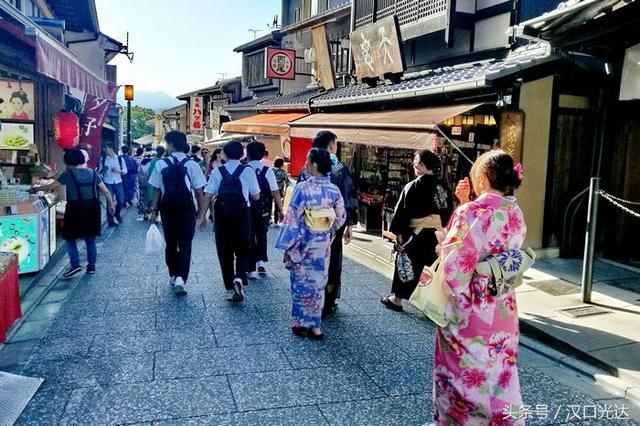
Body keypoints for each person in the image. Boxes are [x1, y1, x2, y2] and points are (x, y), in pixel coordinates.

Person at [432, 149, 526, 425]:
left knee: (464, 375)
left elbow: (455, 270)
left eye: (474, 176)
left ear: (483, 178)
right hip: (502, 306)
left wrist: (442, 248)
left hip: (472, 308)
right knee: (500, 374)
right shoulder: (514, 211)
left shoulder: (472, 212)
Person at [276, 148, 346, 340]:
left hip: (302, 242)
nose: (305, 164)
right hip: (322, 244)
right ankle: (315, 326)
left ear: (314, 165)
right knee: (318, 283)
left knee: (300, 282)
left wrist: (287, 246)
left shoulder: (302, 188)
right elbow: (341, 217)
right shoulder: (334, 190)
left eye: (307, 160)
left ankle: (301, 321)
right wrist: (328, 231)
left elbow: (292, 218)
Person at [380, 150, 452, 311]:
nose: (414, 165)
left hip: (416, 234)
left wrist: (399, 235)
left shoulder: (412, 186)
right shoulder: (443, 187)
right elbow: (448, 212)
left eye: (415, 163)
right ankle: (433, 301)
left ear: (421, 165)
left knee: (407, 263)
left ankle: (397, 299)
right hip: (437, 234)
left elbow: (402, 213)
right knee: (435, 267)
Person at [298, 130, 358, 317]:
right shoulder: (339, 167)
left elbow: (298, 200)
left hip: (309, 222)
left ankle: (309, 300)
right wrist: (349, 224)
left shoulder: (307, 167)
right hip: (332, 223)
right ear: (331, 145)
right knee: (332, 261)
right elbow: (348, 195)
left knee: (308, 260)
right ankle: (329, 301)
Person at [197, 141, 260, 302]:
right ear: (242, 154)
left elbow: (208, 195)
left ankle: (229, 282)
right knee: (243, 247)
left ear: (224, 154)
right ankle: (239, 277)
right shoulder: (248, 171)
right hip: (242, 214)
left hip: (222, 214)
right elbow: (255, 196)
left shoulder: (218, 171)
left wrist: (202, 216)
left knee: (224, 249)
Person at [149, 131, 207, 296]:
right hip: (186, 208)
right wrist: (202, 214)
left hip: (167, 208)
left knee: (171, 241)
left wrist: (154, 211)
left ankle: (173, 274)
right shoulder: (192, 164)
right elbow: (199, 192)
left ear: (171, 145)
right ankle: (182, 278)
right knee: (186, 243)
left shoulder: (161, 164)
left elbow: (156, 190)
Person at [59, 149, 115, 278]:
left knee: (70, 237)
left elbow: (52, 186)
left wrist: (36, 188)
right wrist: (111, 205)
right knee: (90, 239)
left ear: (68, 161)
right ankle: (91, 267)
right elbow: (105, 191)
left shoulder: (68, 174)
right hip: (92, 208)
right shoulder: (93, 172)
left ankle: (75, 265)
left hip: (75, 208)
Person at [246, 141, 284, 280]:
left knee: (249, 236)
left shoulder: (243, 169)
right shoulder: (267, 171)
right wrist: (280, 210)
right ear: (263, 154)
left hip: (247, 209)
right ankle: (261, 261)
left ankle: (250, 268)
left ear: (247, 153)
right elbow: (275, 192)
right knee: (262, 234)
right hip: (264, 209)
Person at [98, 143, 127, 227]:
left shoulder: (120, 159)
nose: (104, 150)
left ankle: (117, 214)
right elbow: (100, 173)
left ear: (110, 148)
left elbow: (125, 170)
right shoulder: (102, 159)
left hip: (118, 182)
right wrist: (104, 170)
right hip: (108, 182)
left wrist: (118, 171)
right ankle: (110, 221)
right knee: (109, 201)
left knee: (121, 200)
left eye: (105, 148)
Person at [137, 149, 154, 220]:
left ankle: (144, 214)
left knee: (142, 198)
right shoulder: (150, 164)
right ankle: (148, 211)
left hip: (142, 183)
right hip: (149, 184)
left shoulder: (141, 164)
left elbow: (138, 174)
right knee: (149, 198)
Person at [273, 157, 289, 225]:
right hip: (279, 191)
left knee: (268, 205)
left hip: (270, 190)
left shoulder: (270, 171)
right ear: (281, 164)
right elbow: (287, 182)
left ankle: (269, 220)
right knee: (277, 206)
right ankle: (276, 221)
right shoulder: (282, 172)